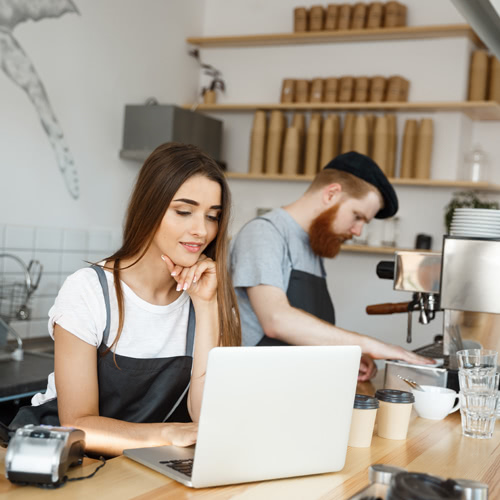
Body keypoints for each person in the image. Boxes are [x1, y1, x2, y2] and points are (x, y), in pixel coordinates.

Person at [11, 143, 241, 456]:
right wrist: (169, 433)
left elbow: (207, 420)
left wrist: (206, 306)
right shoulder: (88, 292)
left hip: (144, 463)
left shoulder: (209, 298)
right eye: (184, 211)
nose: (201, 230)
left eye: (212, 216)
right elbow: (78, 424)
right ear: (150, 207)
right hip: (64, 458)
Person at [230, 151, 433, 381]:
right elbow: (276, 320)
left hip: (295, 386)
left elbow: (306, 334)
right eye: (357, 216)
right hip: (254, 387)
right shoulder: (264, 233)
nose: (358, 231)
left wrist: (344, 356)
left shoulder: (310, 246)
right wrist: (367, 345)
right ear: (331, 193)